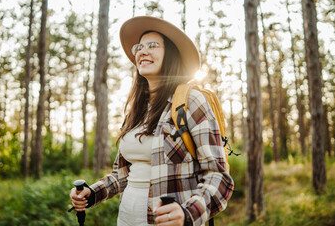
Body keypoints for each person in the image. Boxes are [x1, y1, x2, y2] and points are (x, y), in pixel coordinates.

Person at [70, 16, 234, 226]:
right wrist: (92, 193)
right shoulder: (136, 110)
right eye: (139, 47)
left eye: (152, 45)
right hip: (126, 219)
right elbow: (123, 174)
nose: (142, 51)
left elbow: (219, 176)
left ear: (171, 54)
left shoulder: (190, 100)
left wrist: (188, 214)